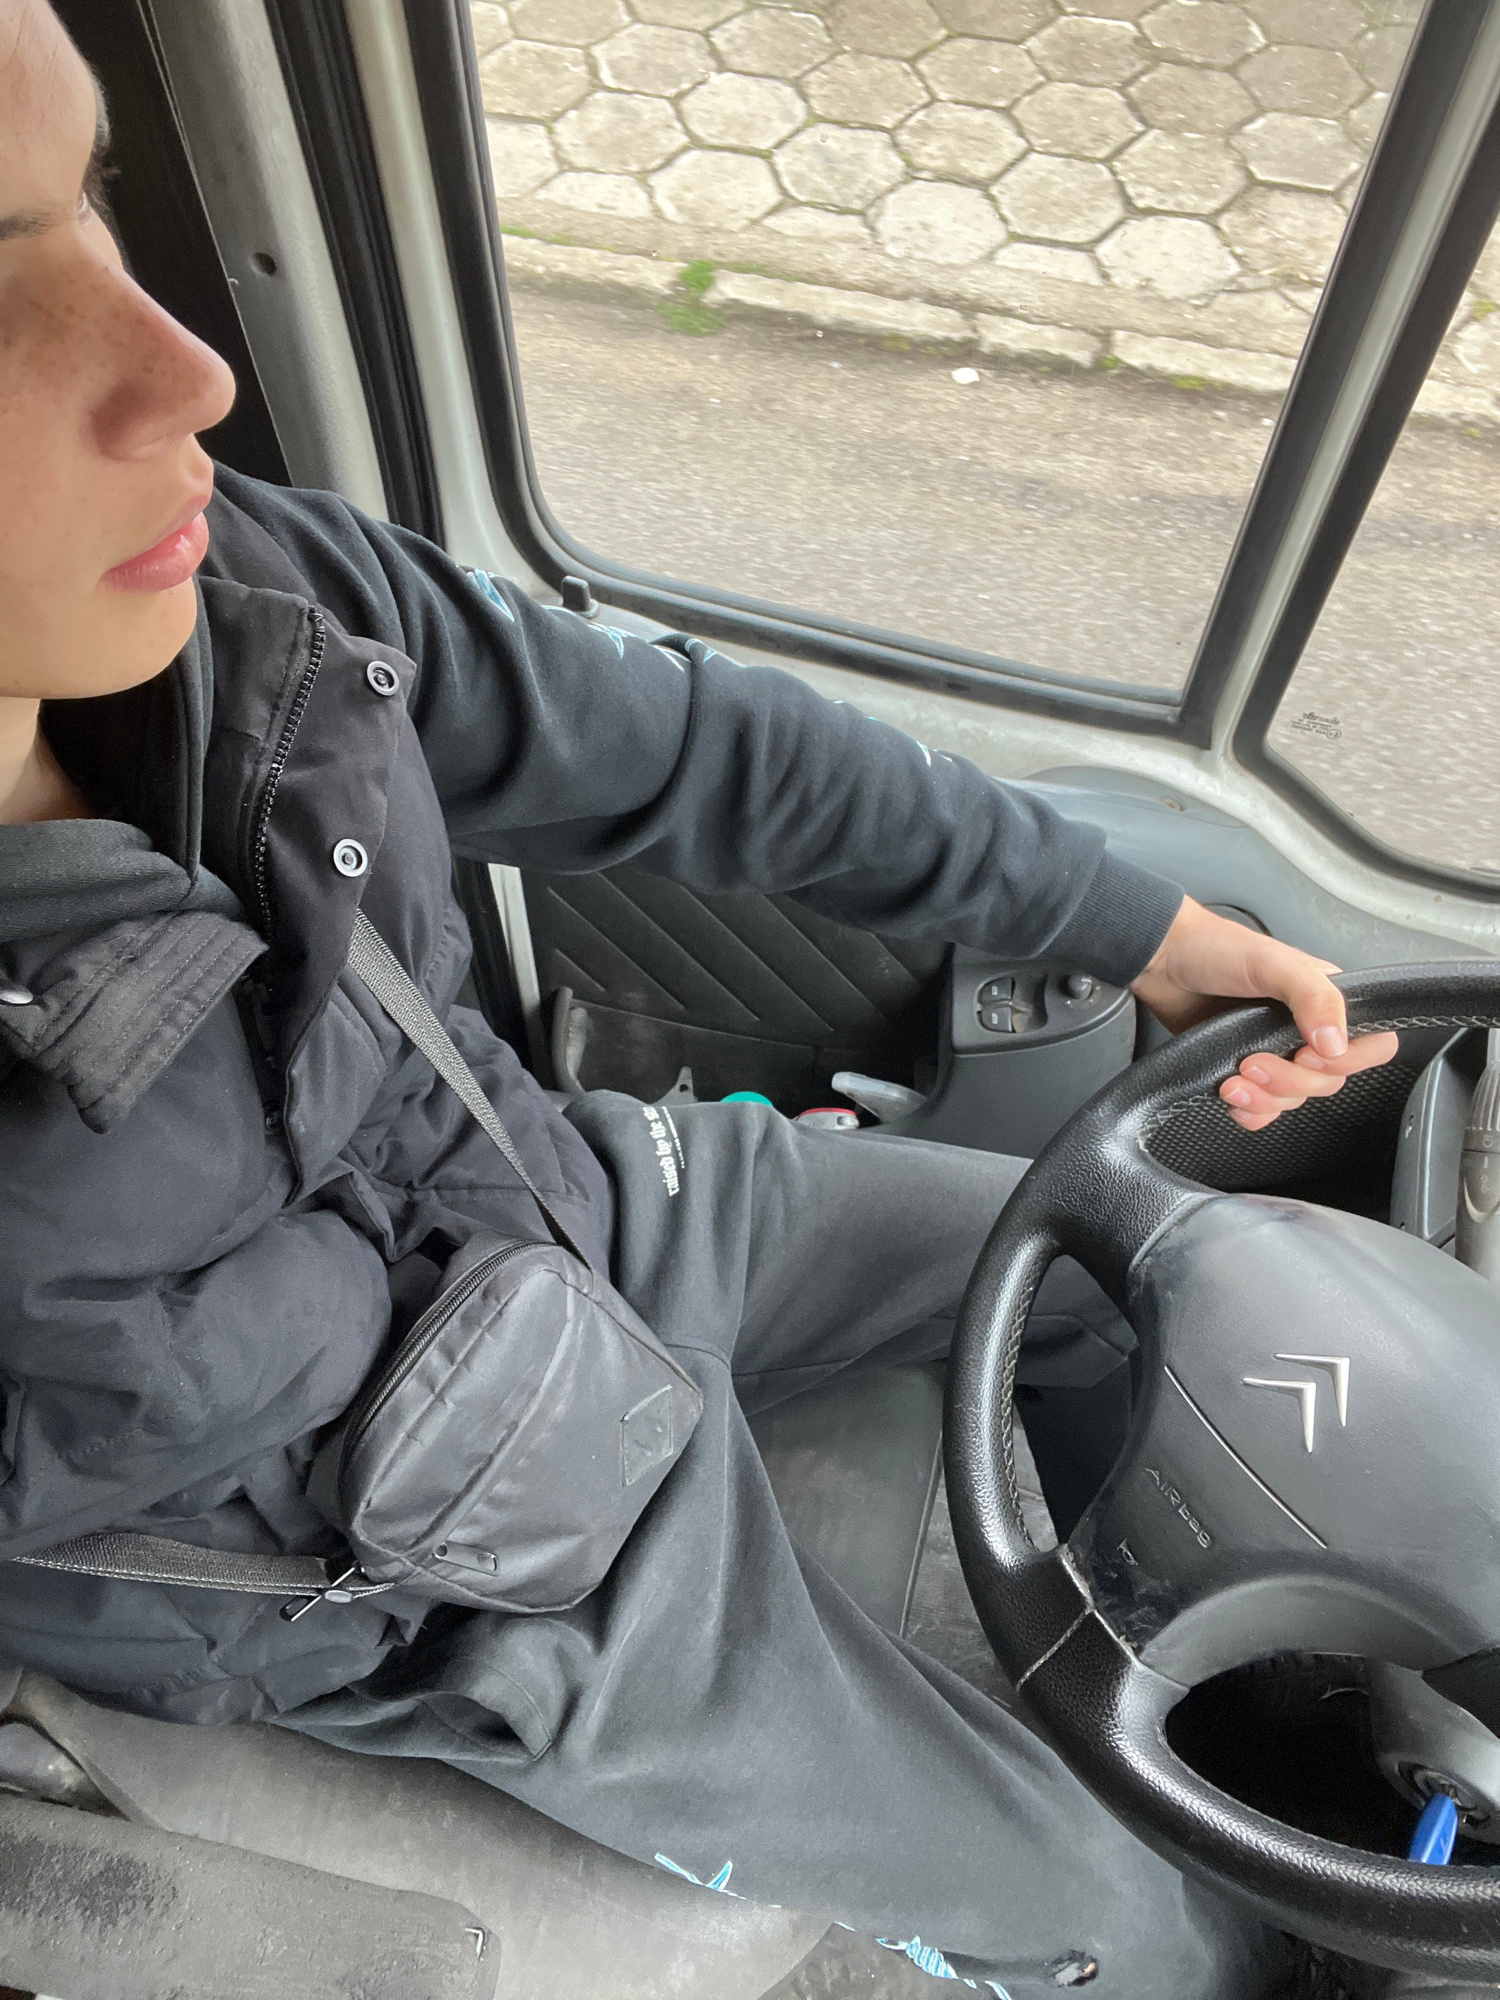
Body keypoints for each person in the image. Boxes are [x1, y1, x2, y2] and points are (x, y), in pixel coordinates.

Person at [0, 4, 1404, 1994]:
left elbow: (679, 743)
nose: (191, 368)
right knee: (1113, 1907)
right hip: (453, 1559)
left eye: (93, 202)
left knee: (1155, 1274)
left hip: (576, 1198)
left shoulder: (248, 600)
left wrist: (1136, 920)